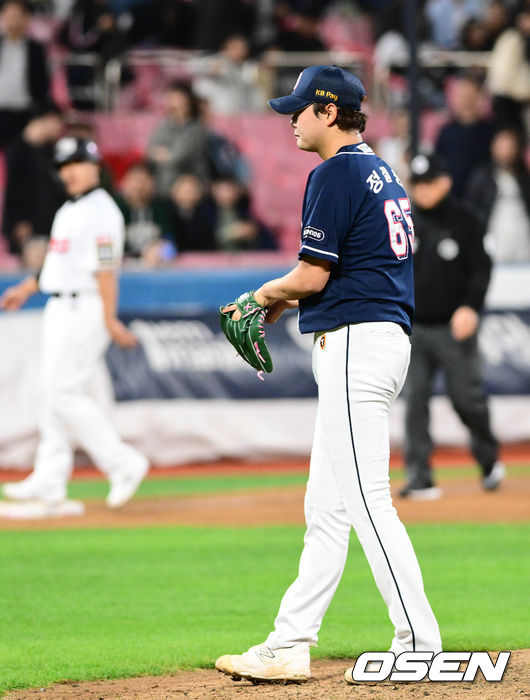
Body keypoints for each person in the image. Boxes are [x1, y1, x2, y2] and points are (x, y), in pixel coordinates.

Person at [215, 65, 441, 686]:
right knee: (327, 506)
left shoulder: (335, 171)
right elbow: (337, 267)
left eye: (300, 108)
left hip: (353, 344)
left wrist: (263, 296)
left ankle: (418, 642)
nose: (290, 119)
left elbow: (313, 276)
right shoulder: (379, 169)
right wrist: (285, 298)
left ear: (329, 111)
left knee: (367, 501)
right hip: (376, 338)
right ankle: (290, 642)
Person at [0, 137, 149, 514]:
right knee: (50, 392)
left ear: (96, 167)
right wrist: (26, 287)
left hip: (86, 306)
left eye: (78, 163)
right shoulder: (70, 209)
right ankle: (50, 480)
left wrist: (110, 318)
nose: (70, 171)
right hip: (58, 304)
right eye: (65, 165)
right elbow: (57, 263)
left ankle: (122, 463)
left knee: (62, 391)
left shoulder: (103, 212)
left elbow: (105, 270)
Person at [400, 153, 505, 500]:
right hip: (412, 328)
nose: (423, 190)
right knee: (414, 402)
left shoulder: (465, 221)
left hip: (453, 326)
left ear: (445, 182)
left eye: (428, 183)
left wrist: (471, 308)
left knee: (467, 400)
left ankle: (488, 458)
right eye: (417, 184)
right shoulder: (403, 221)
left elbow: (482, 269)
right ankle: (419, 477)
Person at [2, 101, 65, 267]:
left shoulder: (53, 152)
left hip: (51, 227)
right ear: (48, 118)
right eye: (58, 122)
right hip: (26, 228)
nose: (60, 128)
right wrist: (17, 221)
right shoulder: (16, 151)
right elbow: (12, 192)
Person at [466, 128, 530, 263]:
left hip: (522, 234)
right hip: (494, 233)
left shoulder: (523, 178)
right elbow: (471, 209)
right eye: (501, 147)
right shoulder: (482, 177)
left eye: (509, 147)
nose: (505, 152)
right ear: (493, 148)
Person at [434, 75, 495, 198]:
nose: (466, 100)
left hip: (483, 199)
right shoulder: (447, 132)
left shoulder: (490, 131)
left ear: (479, 97)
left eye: (470, 95)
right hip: (454, 199)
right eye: (462, 95)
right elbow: (439, 164)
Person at [147, 80, 211, 196]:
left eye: (176, 98)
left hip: (191, 183)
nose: (171, 103)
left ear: (187, 102)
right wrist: (167, 155)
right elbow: (150, 151)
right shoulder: (164, 125)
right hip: (163, 184)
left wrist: (164, 154)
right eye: (169, 98)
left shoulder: (196, 129)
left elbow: (177, 157)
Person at [0, 0, 50, 148]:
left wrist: (39, 115)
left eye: (17, 15)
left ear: (26, 18)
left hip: (24, 113)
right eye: (9, 14)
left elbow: (42, 84)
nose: (13, 20)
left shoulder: (36, 49)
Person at [114, 160, 175, 260]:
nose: (140, 186)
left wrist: (161, 248)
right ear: (126, 182)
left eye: (145, 180)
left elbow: (170, 240)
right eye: (136, 180)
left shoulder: (162, 208)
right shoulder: (115, 208)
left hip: (154, 268)